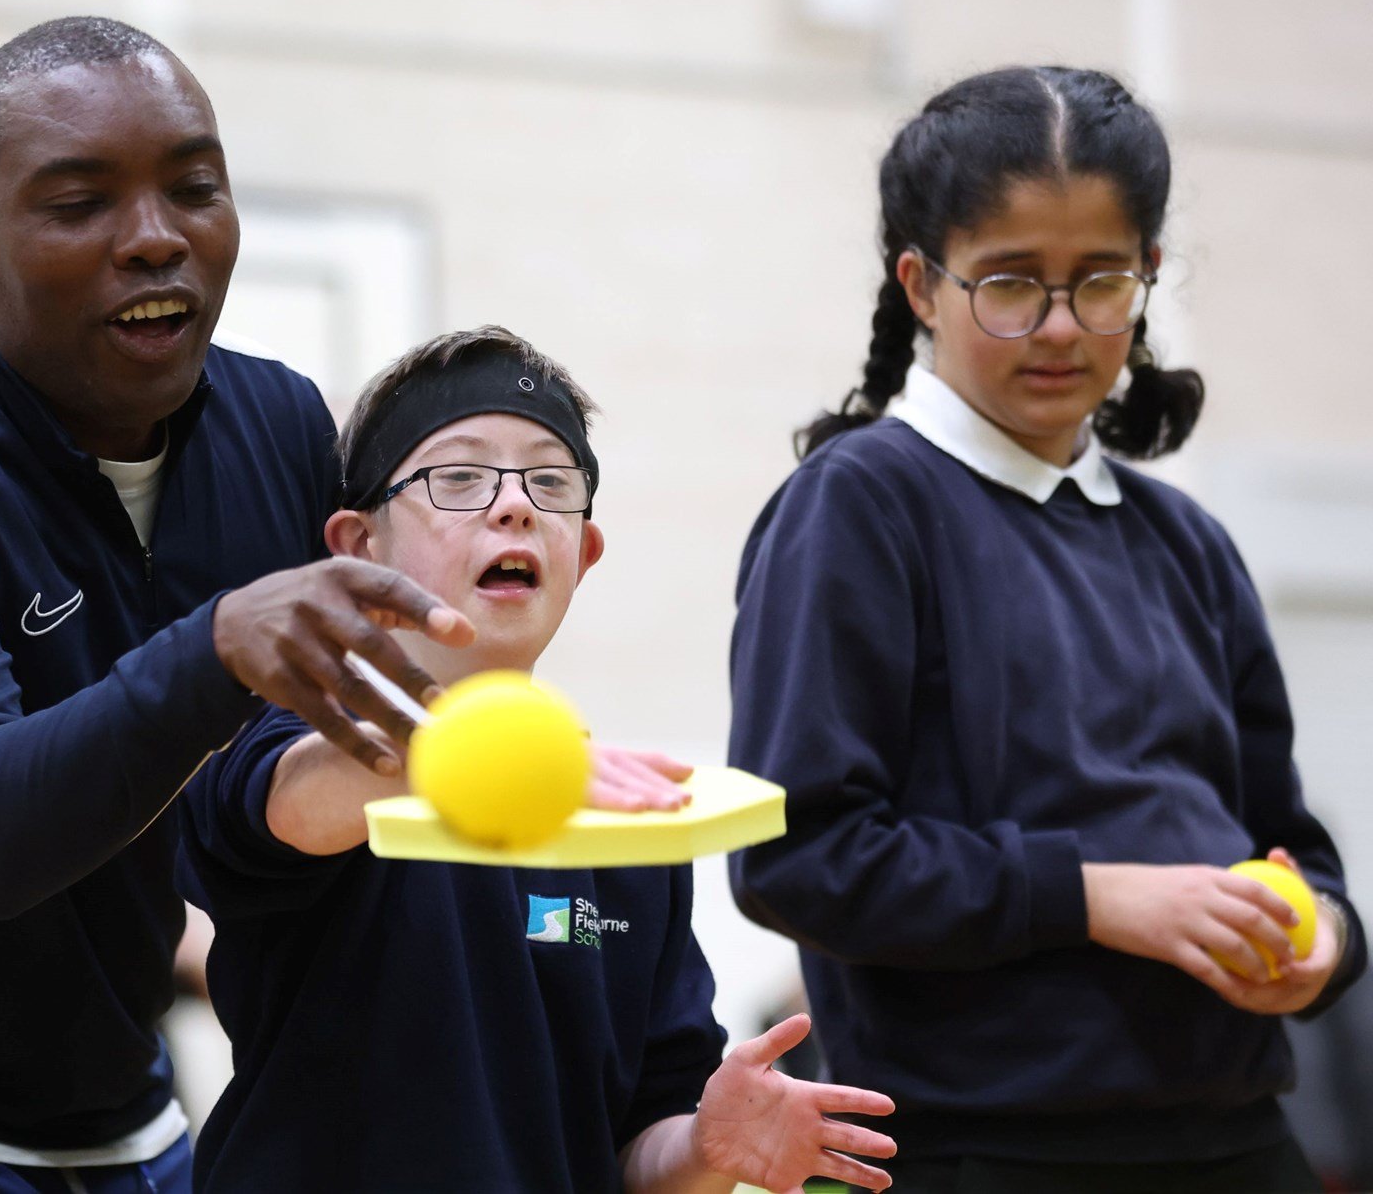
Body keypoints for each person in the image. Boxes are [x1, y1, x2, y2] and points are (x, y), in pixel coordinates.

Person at [0, 15, 470, 1192]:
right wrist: (211, 650)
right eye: (78, 203)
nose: (153, 238)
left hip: (124, 1106)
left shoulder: (280, 425)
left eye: (193, 188)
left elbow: (279, 779)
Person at [727, 66, 1366, 1193]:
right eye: (1011, 284)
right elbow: (798, 858)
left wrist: (1320, 944)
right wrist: (1097, 895)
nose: (1059, 327)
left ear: (1147, 276)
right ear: (921, 284)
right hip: (985, 1153)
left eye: (1100, 281)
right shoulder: (859, 505)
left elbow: (1294, 847)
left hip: (1237, 1142)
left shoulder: (1187, 542)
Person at [178, 326, 898, 1193]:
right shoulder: (292, 731)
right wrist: (483, 750)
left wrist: (711, 1147)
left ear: (583, 553)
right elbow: (292, 809)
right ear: (357, 545)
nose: (513, 505)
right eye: (459, 477)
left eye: (550, 483)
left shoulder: (626, 817)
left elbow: (639, 1141)